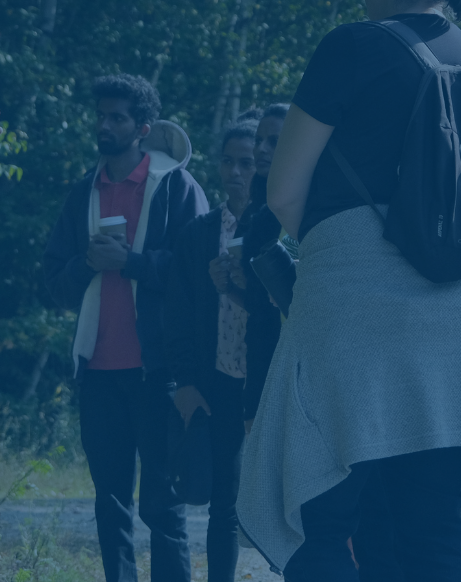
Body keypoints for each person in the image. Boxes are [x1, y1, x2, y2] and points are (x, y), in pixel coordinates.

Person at [236, 0, 461, 581]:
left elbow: (284, 193)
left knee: (326, 518)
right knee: (430, 528)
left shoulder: (352, 46)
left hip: (357, 312)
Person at [43, 74, 209, 582]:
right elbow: (51, 281)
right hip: (97, 371)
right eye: (100, 116)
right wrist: (87, 265)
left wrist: (130, 262)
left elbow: (198, 275)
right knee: (109, 502)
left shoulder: (176, 187)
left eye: (116, 117)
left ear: (143, 127)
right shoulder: (83, 192)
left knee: (163, 504)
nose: (104, 126)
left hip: (156, 371)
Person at [166, 121, 260, 582]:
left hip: (271, 381)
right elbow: (178, 315)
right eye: (228, 160)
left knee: (295, 498)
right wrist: (183, 381)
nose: (236, 172)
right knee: (222, 501)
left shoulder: (281, 227)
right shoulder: (198, 234)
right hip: (218, 379)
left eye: (247, 162)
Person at [238, 103, 289, 427]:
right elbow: (260, 303)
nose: (261, 149)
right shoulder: (258, 209)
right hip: (260, 350)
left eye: (274, 141)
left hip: (291, 354)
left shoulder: (301, 207)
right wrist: (230, 287)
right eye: (259, 140)